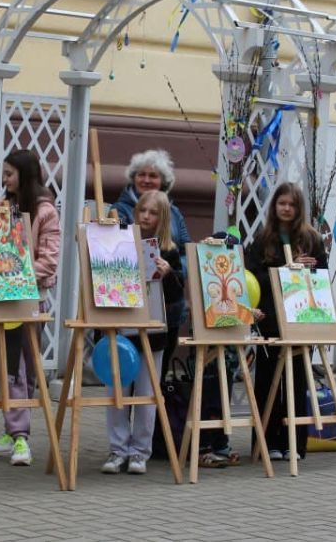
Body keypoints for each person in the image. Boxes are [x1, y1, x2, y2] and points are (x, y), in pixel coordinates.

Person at [101, 189, 184, 476]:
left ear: (162, 218)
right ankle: (117, 449)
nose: (146, 217)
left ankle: (139, 452)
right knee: (118, 391)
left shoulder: (169, 250)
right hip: (122, 328)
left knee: (148, 393)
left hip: (154, 331)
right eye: (142, 211)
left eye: (153, 213)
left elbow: (176, 296)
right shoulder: (122, 242)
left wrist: (168, 272)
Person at [0, 150, 59, 467]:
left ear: (25, 175)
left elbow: (49, 259)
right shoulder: (4, 207)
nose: (4, 180)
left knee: (24, 368)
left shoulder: (44, 211)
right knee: (8, 366)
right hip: (4, 299)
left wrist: (18, 273)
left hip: (29, 300)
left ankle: (20, 436)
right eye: (3, 174)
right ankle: (14, 431)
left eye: (9, 174)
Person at [245, 182, 327, 461]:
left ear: (299, 208)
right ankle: (266, 444)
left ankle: (294, 442)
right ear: (275, 206)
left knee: (297, 381)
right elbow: (253, 279)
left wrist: (308, 270)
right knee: (267, 382)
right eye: (282, 204)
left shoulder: (312, 239)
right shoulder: (263, 239)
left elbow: (322, 278)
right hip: (271, 319)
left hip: (302, 317)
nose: (286, 209)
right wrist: (284, 272)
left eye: (291, 204)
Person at [110, 149, 192, 377]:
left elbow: (186, 249)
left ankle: (155, 414)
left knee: (157, 375)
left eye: (153, 176)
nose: (146, 180)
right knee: (128, 376)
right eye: (141, 174)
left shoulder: (174, 212)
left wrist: (171, 268)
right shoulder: (120, 210)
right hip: (132, 306)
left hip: (168, 305)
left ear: (163, 181)